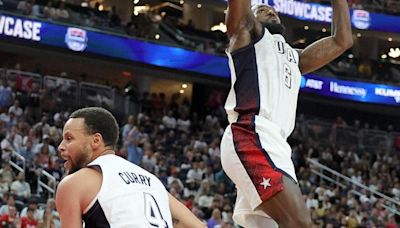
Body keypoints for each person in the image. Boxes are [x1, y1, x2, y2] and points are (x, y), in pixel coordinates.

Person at [220, 1, 353, 227]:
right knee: (300, 223)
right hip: (251, 134)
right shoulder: (246, 34)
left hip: (277, 146)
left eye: (272, 10)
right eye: (261, 10)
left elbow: (343, 40)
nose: (270, 11)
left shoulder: (296, 57)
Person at [56, 107, 205, 228]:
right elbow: (198, 226)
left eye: (69, 138)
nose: (61, 147)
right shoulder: (152, 181)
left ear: (96, 140)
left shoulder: (73, 184)